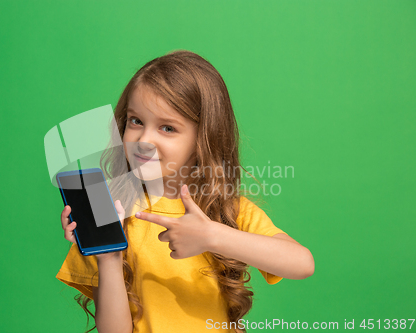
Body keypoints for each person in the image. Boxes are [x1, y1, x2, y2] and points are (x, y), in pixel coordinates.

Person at [56, 50, 314, 333]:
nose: (144, 140)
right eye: (136, 121)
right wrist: (109, 257)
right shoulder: (112, 211)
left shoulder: (228, 209)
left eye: (167, 128)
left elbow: (302, 263)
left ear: (204, 137)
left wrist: (213, 235)